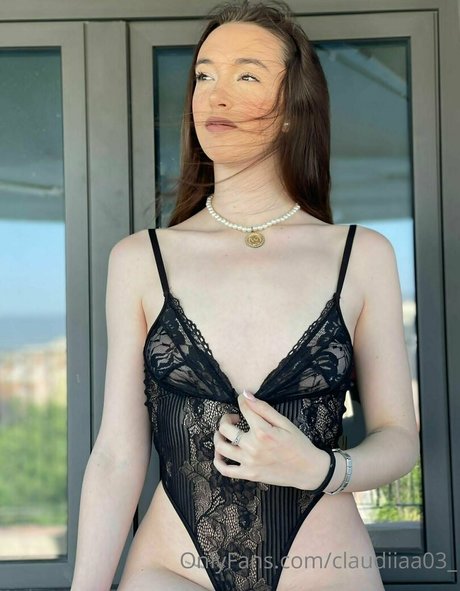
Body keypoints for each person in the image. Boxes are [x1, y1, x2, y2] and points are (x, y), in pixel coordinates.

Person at [71, 1, 420, 590]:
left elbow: (399, 438)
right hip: (171, 570)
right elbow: (115, 455)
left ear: (293, 110)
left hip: (324, 570)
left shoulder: (360, 255)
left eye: (247, 75)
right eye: (204, 75)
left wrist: (321, 468)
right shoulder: (139, 260)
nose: (216, 94)